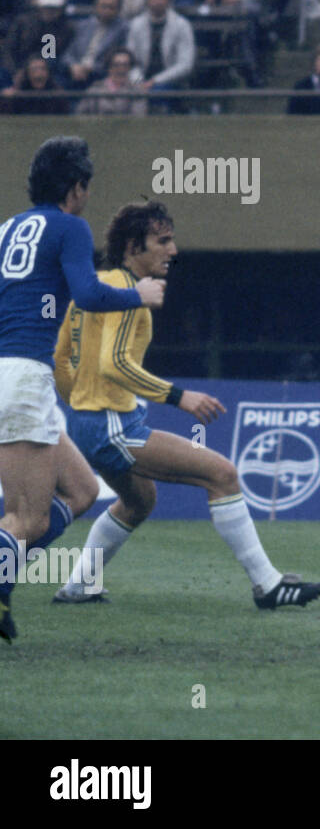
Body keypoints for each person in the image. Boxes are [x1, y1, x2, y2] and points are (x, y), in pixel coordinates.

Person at [51, 202, 320, 610]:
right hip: (112, 425)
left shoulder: (93, 288)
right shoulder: (129, 293)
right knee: (222, 473)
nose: (173, 250)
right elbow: (115, 364)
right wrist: (181, 397)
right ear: (133, 246)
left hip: (88, 422)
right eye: (162, 241)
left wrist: (80, 407)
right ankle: (268, 586)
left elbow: (61, 359)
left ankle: (78, 587)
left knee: (139, 501)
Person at [0, 137, 165, 643]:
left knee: (82, 491)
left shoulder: (7, 229)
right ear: (76, 187)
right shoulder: (69, 226)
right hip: (23, 376)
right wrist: (136, 293)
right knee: (25, 518)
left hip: (15, 374)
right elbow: (89, 294)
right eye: (86, 188)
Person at [75, 46, 147, 114]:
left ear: (130, 67)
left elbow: (138, 118)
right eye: (116, 65)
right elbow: (81, 116)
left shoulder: (137, 91)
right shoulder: (95, 89)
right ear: (109, 67)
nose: (121, 69)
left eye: (125, 65)